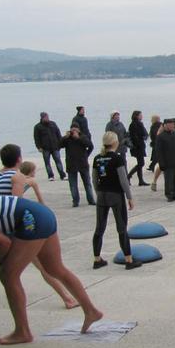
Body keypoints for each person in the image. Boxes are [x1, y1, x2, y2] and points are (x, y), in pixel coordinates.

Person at [0, 194, 103, 344]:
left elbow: (3, 242)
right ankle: (91, 311)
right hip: (42, 215)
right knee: (55, 268)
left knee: (8, 276)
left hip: (30, 219)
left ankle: (22, 332)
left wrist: (3, 266)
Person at [0, 145, 79, 311]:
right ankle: (67, 298)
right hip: (10, 229)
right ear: (19, 160)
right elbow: (17, 204)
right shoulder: (16, 177)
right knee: (41, 264)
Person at [91, 132, 140, 270]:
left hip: (102, 195)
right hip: (115, 195)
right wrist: (129, 197)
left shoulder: (97, 158)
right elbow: (123, 180)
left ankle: (97, 259)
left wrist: (98, 192)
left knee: (99, 228)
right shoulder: (117, 158)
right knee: (121, 227)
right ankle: (128, 259)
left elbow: (94, 179)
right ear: (115, 143)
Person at [60, 123, 96, 207]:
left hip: (82, 163)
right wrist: (64, 137)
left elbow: (90, 146)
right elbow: (59, 145)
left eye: (75, 129)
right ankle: (75, 201)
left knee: (87, 183)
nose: (74, 131)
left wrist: (86, 155)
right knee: (73, 184)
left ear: (79, 130)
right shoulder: (67, 138)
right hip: (71, 164)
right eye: (72, 129)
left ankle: (91, 200)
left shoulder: (83, 137)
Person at [155, 118, 175, 202]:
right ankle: (169, 194)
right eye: (171, 124)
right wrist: (161, 163)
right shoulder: (161, 137)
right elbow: (159, 151)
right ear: (165, 125)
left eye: (173, 124)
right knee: (169, 180)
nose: (173, 126)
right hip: (167, 162)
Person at [33, 112, 65, 181]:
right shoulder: (37, 127)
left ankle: (62, 175)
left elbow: (58, 134)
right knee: (47, 163)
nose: (47, 118)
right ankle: (50, 176)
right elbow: (36, 138)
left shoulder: (53, 124)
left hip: (55, 146)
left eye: (47, 117)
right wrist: (39, 147)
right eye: (46, 117)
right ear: (42, 118)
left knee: (58, 161)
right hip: (45, 148)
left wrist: (61, 143)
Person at [127, 110, 150, 186]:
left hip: (139, 145)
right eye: (140, 115)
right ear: (136, 116)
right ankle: (129, 176)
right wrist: (138, 144)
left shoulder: (139, 123)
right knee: (141, 163)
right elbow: (134, 136)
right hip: (137, 146)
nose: (141, 116)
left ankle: (140, 180)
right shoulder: (134, 124)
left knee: (140, 163)